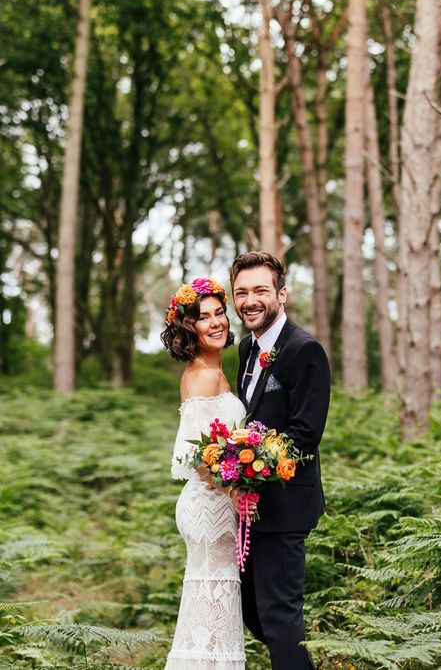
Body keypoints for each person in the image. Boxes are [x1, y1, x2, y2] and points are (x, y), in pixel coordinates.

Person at [231, 251, 331, 670]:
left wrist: (248, 469)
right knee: (254, 613)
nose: (249, 300)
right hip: (249, 509)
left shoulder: (304, 350)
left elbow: (305, 434)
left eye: (260, 290)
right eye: (241, 292)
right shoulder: (245, 349)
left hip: (285, 506)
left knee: (279, 616)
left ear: (282, 294)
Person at [160, 277, 249, 670]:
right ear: (188, 327)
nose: (216, 323)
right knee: (214, 610)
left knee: (212, 611)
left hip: (216, 503)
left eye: (219, 313)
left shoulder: (215, 369)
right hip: (209, 506)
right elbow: (198, 456)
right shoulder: (202, 375)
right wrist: (235, 492)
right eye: (203, 317)